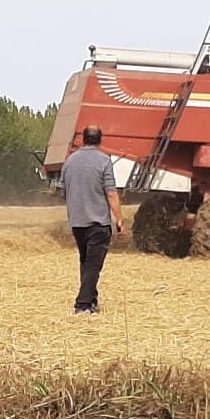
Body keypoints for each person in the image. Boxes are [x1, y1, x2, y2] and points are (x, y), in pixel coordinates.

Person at [60, 125, 125, 314]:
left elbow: (63, 191)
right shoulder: (104, 161)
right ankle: (82, 305)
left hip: (77, 222)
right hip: (98, 222)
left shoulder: (69, 161)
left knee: (86, 262)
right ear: (100, 140)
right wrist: (119, 219)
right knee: (93, 265)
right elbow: (111, 193)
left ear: (83, 139)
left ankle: (92, 301)